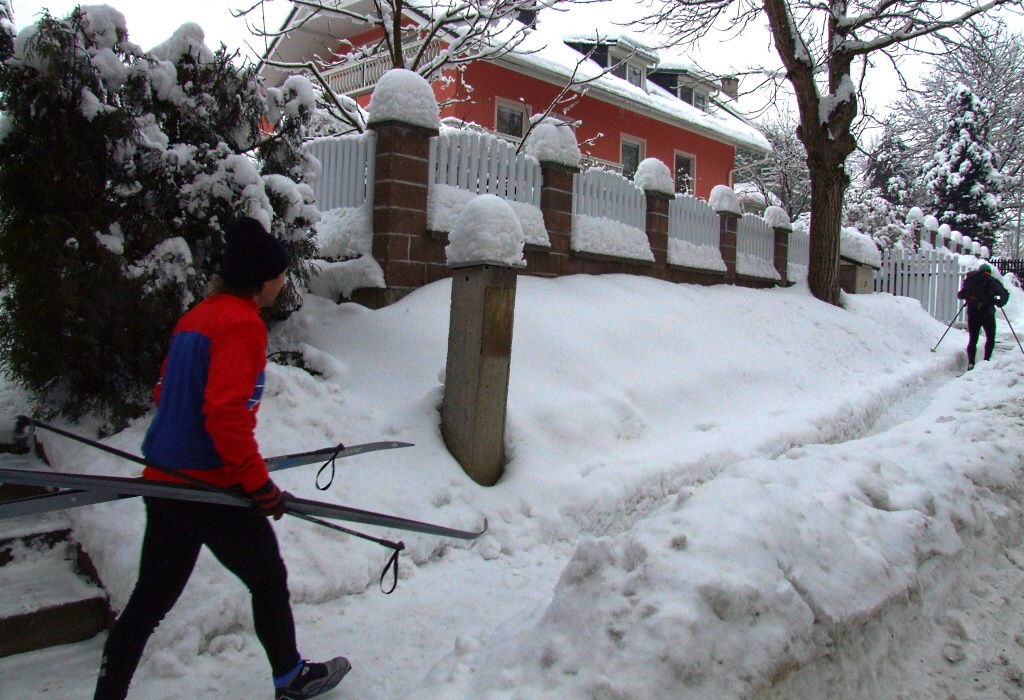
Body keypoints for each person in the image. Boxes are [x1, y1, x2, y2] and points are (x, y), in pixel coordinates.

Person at [93, 217, 350, 700]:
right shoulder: (241, 326)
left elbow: (165, 391)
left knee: (150, 602)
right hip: (208, 486)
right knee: (267, 577)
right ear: (264, 279)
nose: (283, 281)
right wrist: (258, 486)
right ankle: (291, 678)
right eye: (280, 274)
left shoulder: (197, 317)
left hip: (165, 483)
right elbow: (226, 414)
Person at [957, 263, 1010, 369]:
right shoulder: (991, 281)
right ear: (988, 271)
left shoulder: (971, 279)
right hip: (987, 313)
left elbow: (961, 295)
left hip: (972, 313)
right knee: (990, 337)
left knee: (973, 339)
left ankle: (971, 363)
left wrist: (971, 298)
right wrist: (999, 302)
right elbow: (1004, 294)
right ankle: (986, 360)